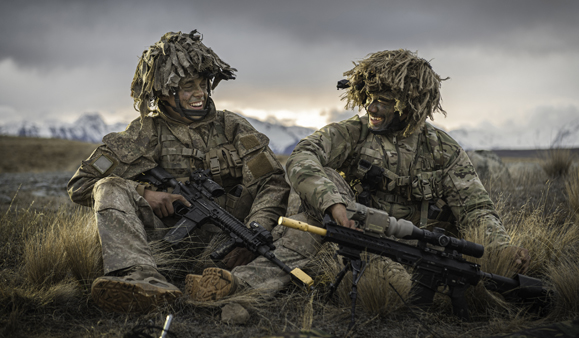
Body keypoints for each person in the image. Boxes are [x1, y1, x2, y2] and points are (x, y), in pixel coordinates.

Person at [67, 30, 292, 313]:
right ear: (164, 90)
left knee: (300, 218)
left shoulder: (234, 127)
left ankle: (233, 286)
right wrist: (144, 193)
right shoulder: (143, 134)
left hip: (230, 248)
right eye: (187, 86)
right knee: (108, 186)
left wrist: (254, 230)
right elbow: (81, 185)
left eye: (203, 84)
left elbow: (272, 183)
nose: (200, 93)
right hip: (161, 248)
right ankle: (142, 280)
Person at [285, 49, 530, 275]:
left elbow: (475, 209)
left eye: (385, 100)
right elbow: (304, 154)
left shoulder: (444, 150)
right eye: (371, 97)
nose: (372, 107)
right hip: (354, 240)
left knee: (399, 287)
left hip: (418, 256)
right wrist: (333, 203)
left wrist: (501, 248)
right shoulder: (353, 133)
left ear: (411, 104)